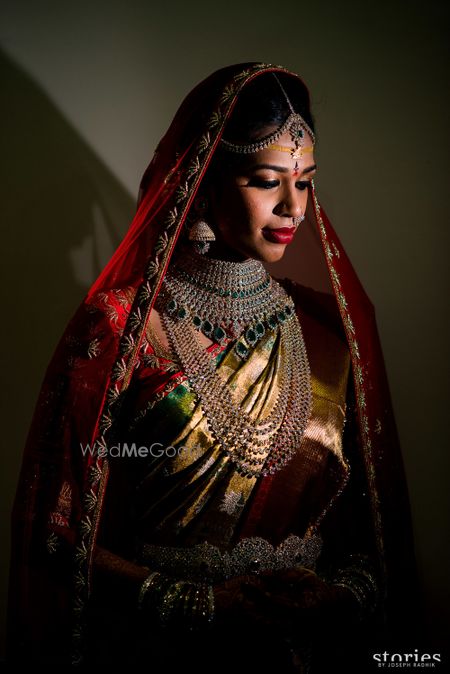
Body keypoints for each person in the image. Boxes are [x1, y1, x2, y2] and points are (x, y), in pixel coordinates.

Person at [8, 63, 419, 671]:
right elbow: (54, 530)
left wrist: (332, 597)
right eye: (265, 180)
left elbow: (370, 537)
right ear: (204, 181)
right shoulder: (122, 330)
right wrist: (198, 605)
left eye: (305, 183)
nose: (292, 207)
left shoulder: (330, 333)